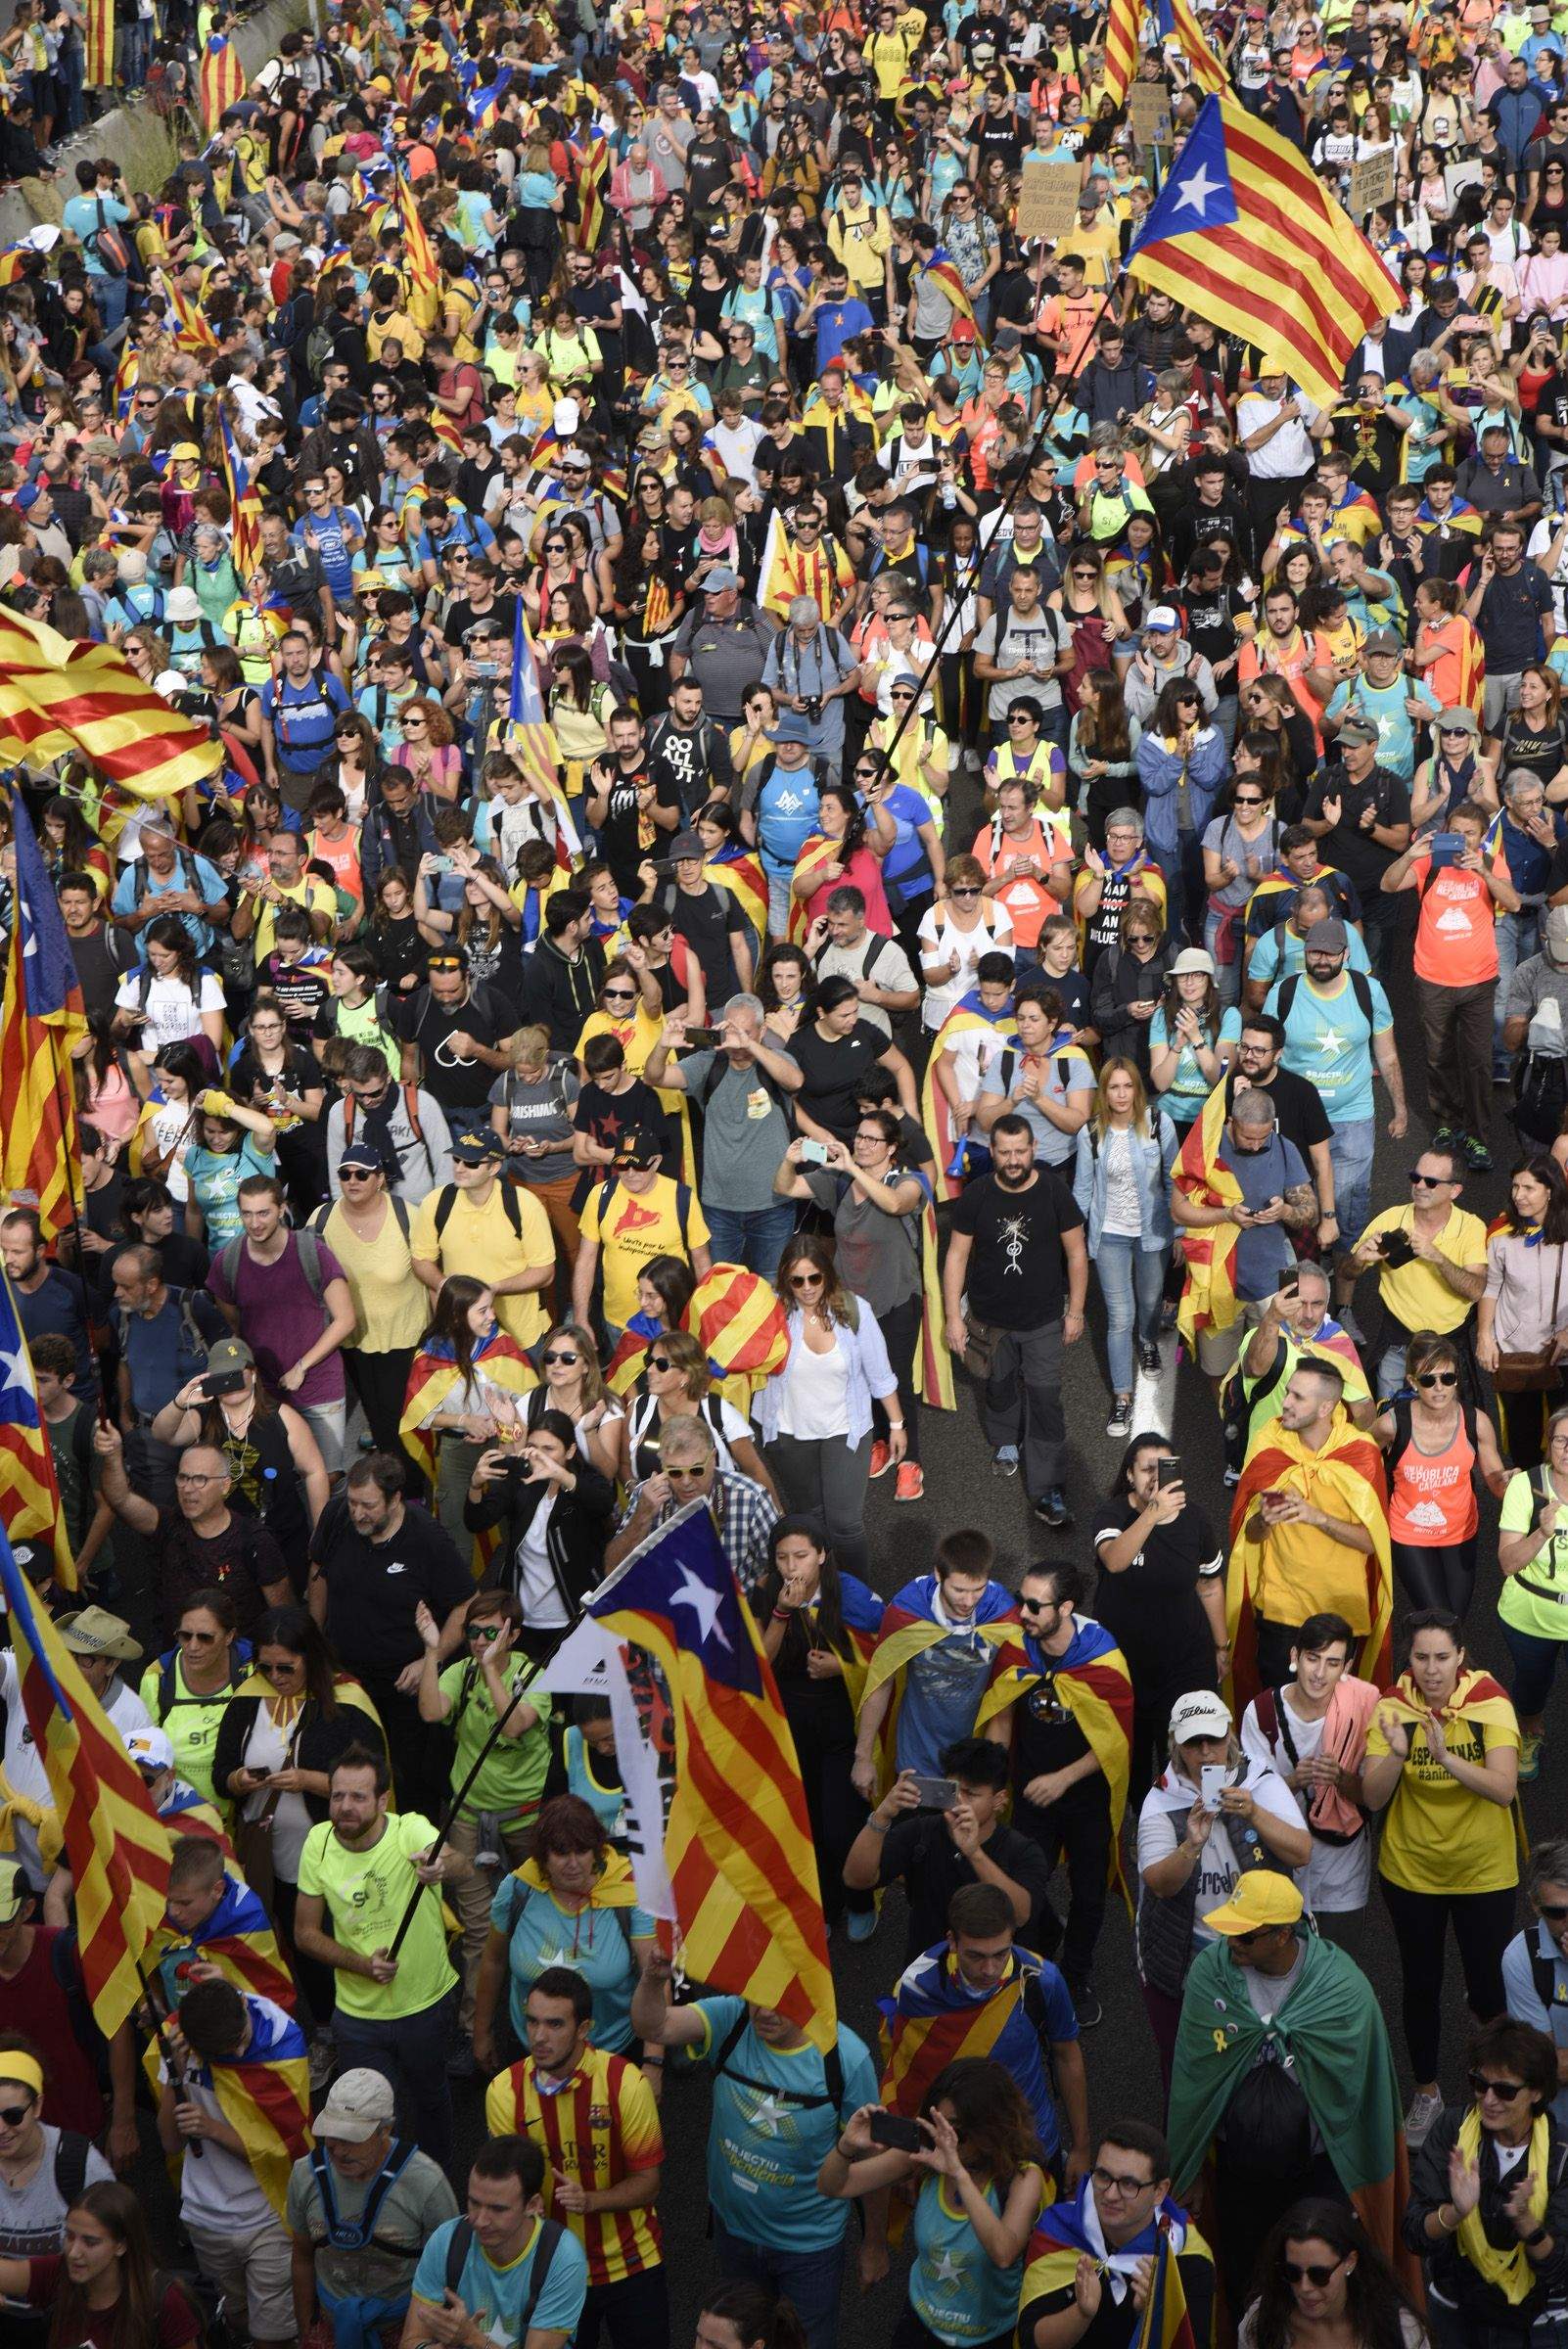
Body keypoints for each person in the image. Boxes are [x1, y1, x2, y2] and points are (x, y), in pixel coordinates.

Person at [1168, 1868, 1411, 2320]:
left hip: (1319, 2171)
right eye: (1230, 1933)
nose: (1231, 1945)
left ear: (1281, 1935)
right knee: (1249, 2284)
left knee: (1322, 2283)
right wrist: (1194, 2170)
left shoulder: (1341, 1987)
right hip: (1239, 2170)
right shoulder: (1209, 1974)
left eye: (1245, 1937)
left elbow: (1362, 2092)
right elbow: (1192, 2081)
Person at [629, 1946, 882, 2349]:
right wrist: (653, 1978)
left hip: (809, 2246)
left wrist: (874, 2243)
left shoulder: (846, 2059)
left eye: (780, 2000)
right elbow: (653, 2028)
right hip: (735, 2232)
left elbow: (872, 2159)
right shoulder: (731, 2018)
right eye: (755, 1997)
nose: (764, 2012)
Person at [1362, 1611, 1523, 2148]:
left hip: (1483, 1873)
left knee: (1488, 1987)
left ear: (1461, 1658)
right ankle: (1428, 2090)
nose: (1432, 1671)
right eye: (1421, 1658)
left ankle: (1493, 2085)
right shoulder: (1391, 1708)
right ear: (1409, 1661)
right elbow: (1373, 1798)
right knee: (1421, 1984)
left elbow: (1503, 1788)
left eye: (1442, 1658)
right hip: (1412, 1872)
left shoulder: (1490, 1702)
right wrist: (1400, 1756)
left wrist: (1445, 1758)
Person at [293, 1743, 466, 2169]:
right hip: (357, 2018)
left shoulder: (410, 1830)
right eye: (338, 1795)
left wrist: (441, 1867)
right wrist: (359, 1965)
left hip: (424, 2006)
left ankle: (435, 2182)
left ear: (382, 1801)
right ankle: (375, 2194)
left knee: (430, 2100)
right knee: (364, 2115)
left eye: (358, 1797)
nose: (345, 1807)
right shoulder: (317, 1843)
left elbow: (459, 1861)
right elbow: (304, 1934)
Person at [974, 1560, 1131, 2024]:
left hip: (1085, 1799)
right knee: (1024, 1887)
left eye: (1034, 1605)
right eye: (1022, 1599)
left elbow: (1116, 1743)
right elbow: (1002, 1715)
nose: (1022, 1612)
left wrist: (1062, 1779)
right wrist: (996, 1783)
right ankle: (1034, 1956)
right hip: (1031, 1796)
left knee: (1088, 1894)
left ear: (1065, 1607)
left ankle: (1077, 1975)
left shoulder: (1103, 1659)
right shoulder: (1018, 1648)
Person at [1134, 1688, 1312, 2089]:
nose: (1205, 1752)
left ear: (1229, 1735)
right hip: (1192, 1950)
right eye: (1193, 1742)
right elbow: (1159, 1884)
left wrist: (1253, 1812)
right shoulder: (1161, 1800)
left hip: (1262, 1944)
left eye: (1213, 1739)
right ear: (1175, 1746)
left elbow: (1301, 1852)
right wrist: (1190, 1845)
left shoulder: (1260, 1783)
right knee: (1189, 2071)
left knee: (1274, 2064)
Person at [483, 1964, 666, 2349]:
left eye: (554, 2024)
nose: (538, 2036)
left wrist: (590, 2201)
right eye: (532, 2022)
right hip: (551, 2271)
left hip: (631, 2264)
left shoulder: (626, 2084)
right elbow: (508, 2192)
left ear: (584, 2029)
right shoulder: (503, 2092)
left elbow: (649, 2184)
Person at [816, 2061, 1048, 2349]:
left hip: (989, 2337)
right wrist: (847, 2146)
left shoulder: (1023, 2176)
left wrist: (957, 2173)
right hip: (921, 2329)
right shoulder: (924, 2151)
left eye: (959, 2132)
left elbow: (1003, 2253)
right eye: (941, 2124)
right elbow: (832, 2186)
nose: (946, 2139)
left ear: (991, 2128)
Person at [879, 1880, 1090, 2185]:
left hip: (1030, 2144)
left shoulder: (1042, 1980)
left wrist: (1081, 2148)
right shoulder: (916, 1989)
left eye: (1000, 1954)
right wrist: (911, 2150)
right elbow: (909, 2072)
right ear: (952, 1941)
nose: (989, 1969)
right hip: (957, 2151)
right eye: (976, 1956)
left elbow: (1067, 2057)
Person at [416, 1590, 552, 2046]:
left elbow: (514, 1724)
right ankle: (476, 2031)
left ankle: (543, 2026)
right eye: (473, 1632)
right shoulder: (463, 1671)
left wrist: (493, 1668)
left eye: (490, 1632)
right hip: (470, 1817)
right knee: (478, 1929)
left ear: (513, 1633)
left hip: (526, 1821)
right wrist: (434, 1651)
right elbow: (432, 1711)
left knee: (542, 1922)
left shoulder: (535, 1675)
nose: (479, 1641)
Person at [306, 1451, 473, 1815]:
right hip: (346, 1680)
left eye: (367, 1505)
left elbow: (466, 1605)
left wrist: (430, 1660)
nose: (357, 1514)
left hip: (403, 1689)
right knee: (344, 1774)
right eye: (351, 1502)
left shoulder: (428, 1538)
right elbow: (319, 1571)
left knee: (407, 1784)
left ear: (395, 1499)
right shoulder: (337, 1518)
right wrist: (313, 1638)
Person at [942, 1114, 1087, 1528]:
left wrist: (1074, 1310)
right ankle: (1005, 1440)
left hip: (1042, 1320)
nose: (1012, 1159)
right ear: (992, 1152)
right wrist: (955, 1317)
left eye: (1020, 1151)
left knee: (1044, 1399)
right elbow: (956, 1256)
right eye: (1004, 1152)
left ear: (1034, 1150)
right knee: (999, 1386)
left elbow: (1076, 1253)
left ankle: (1047, 1489)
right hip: (989, 1320)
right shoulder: (977, 1195)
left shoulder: (1054, 1191)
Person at [1228, 1359, 1395, 1696]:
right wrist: (1263, 1520)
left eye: (1297, 1397)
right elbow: (1250, 1536)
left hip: (1340, 1612)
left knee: (1336, 1718)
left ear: (1325, 1407)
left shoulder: (1361, 1455)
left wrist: (1316, 1517)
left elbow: (1371, 1543)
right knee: (1281, 1712)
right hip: (1281, 1610)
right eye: (1289, 1392)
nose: (1286, 1402)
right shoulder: (1269, 1444)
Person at [1405, 2017, 1568, 2348]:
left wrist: (1528, 2225)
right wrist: (1454, 2214)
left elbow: (1561, 2269)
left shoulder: (1561, 2154)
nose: (1489, 2100)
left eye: (1505, 2090)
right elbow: (1413, 2233)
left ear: (1536, 2092)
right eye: (1480, 2084)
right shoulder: (1452, 2131)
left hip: (1538, 2323)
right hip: (1458, 2311)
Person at [472, 1794, 657, 2081]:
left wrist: (653, 2062)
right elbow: (494, 1961)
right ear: (543, 1856)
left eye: (582, 1850)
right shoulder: (518, 1889)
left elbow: (654, 1979)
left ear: (596, 1850)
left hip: (612, 2053)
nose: (573, 1863)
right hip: (531, 2048)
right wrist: (480, 2033)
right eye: (561, 1852)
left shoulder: (630, 1892)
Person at [286, 2066, 460, 2348]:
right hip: (331, 2326)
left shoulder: (427, 2183)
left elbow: (450, 2274)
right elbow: (302, 2258)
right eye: (331, 2134)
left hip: (405, 2329)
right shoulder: (305, 2175)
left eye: (352, 2138)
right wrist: (307, 2330)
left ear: (385, 2130)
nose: (339, 2150)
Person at [845, 1732, 1053, 1965]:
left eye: (972, 1794)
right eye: (954, 1791)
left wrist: (974, 1853)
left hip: (995, 1978)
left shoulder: (1023, 1850)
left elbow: (1021, 1915)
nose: (959, 1803)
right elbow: (856, 1879)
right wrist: (882, 1815)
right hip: (927, 1972)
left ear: (999, 1800)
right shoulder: (920, 1832)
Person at [1018, 2120, 1216, 2349]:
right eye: (1103, 2176)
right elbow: (1030, 2341)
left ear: (1159, 2192)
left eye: (1129, 2184)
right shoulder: (1058, 2232)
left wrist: (1152, 2316)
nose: (1111, 2194)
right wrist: (1080, 2314)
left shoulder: (1185, 2257)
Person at [1239, 1610, 1381, 1930]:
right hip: (1277, 1872)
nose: (1319, 1673)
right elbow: (1247, 1798)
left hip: (1342, 1876)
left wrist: (1341, 1778)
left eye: (1332, 1663)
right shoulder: (1261, 1713)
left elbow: (1372, 1798)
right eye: (1312, 1658)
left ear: (1346, 1668)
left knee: (1335, 1974)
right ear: (1295, 1656)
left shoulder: (1364, 1709)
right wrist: (1292, 1781)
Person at [1072, 1060, 1178, 1440]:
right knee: (1120, 1317)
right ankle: (1122, 1396)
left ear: (1136, 1088)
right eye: (1113, 1087)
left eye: (1127, 1086)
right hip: (1110, 1235)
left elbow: (1172, 1179)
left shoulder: (1158, 1124)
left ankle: (1148, 1341)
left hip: (1153, 1233)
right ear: (1105, 1092)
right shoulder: (1091, 1133)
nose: (1120, 1094)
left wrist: (1179, 1231)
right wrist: (1076, 1241)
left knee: (1149, 1303)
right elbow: (1082, 1190)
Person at [405, 2137, 589, 2349]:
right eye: (474, 2203)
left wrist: (472, 2339)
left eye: (498, 2209)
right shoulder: (446, 2241)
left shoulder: (561, 2257)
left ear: (532, 2205)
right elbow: (411, 2341)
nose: (480, 2220)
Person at [1347, 1142, 1490, 1403]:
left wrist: (1436, 1256)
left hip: (1448, 1349)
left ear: (1455, 1190)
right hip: (1397, 1343)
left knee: (1448, 1427)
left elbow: (1476, 1289)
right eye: (1415, 1177)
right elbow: (1347, 1273)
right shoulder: (1390, 1218)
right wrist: (1359, 1260)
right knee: (1390, 1418)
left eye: (1431, 1182)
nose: (1420, 1186)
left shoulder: (1470, 1228)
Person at [0, 2178, 204, 2349]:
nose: (73, 2252)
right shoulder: (58, 2272)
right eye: (70, 2236)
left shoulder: (164, 2302)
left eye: (90, 2242)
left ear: (121, 2245)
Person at [1238, 2199, 1429, 2349]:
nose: (1304, 2288)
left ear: (1350, 2262)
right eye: (1292, 2273)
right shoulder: (1263, 2320)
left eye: (1319, 2275)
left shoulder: (1397, 2328)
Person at [1480, 1155, 1568, 1469]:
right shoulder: (1501, 1234)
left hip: (1563, 1354)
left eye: (1529, 1188)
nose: (1519, 1195)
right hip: (1517, 1353)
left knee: (1565, 1438)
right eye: (1516, 1186)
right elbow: (1490, 1287)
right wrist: (1485, 1337)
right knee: (1523, 1438)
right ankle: (1529, 1505)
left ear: (1550, 1191)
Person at [1502, 1839, 1568, 2132]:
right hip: (1556, 2127)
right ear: (1535, 1905)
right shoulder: (1522, 1958)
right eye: (1557, 1913)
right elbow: (1544, 2067)